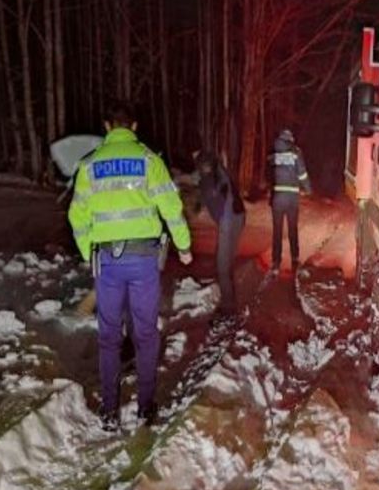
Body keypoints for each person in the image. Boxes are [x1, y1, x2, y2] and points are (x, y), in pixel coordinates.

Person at [67, 103, 192, 431]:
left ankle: (110, 411)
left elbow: (77, 216)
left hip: (107, 263)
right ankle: (145, 408)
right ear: (133, 126)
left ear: (107, 126)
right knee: (146, 334)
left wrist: (88, 251)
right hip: (143, 261)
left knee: (108, 337)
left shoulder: (89, 165)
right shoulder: (150, 161)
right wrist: (183, 245)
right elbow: (172, 208)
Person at [195, 150, 245, 316]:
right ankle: (231, 292)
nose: (203, 168)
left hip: (228, 219)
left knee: (222, 264)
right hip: (238, 216)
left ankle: (228, 306)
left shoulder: (212, 179)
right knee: (227, 259)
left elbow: (212, 196)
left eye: (204, 165)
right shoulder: (218, 174)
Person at [266, 128, 311, 275]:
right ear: (290, 139)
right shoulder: (295, 153)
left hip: (278, 197)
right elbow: (302, 174)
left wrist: (271, 192)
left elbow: (269, 175)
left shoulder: (273, 154)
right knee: (292, 229)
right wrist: (308, 189)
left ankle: (276, 262)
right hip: (291, 198)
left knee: (277, 230)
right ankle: (295, 259)